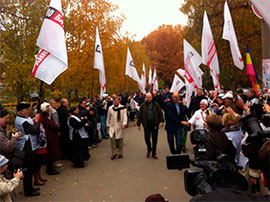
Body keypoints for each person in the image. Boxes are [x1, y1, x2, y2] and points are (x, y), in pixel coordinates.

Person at [15, 103, 41, 196]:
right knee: (28, 169)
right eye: (27, 109)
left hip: (31, 145)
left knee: (31, 167)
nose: (29, 111)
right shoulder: (21, 121)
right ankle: (28, 190)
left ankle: (30, 187)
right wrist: (37, 121)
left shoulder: (25, 118)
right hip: (26, 147)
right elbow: (34, 130)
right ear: (22, 112)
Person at [137, 93, 164, 159]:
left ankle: (154, 152)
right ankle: (149, 149)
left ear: (152, 97)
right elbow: (140, 115)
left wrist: (162, 121)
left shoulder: (156, 104)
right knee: (147, 138)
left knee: (154, 139)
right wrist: (138, 124)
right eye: (147, 97)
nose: (148, 99)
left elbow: (160, 113)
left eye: (150, 97)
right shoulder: (143, 105)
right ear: (145, 98)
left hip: (154, 124)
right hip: (146, 124)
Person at [39, 102, 61, 175]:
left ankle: (51, 168)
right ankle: (50, 169)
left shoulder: (47, 115)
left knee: (52, 152)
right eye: (48, 107)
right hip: (49, 136)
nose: (49, 108)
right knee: (51, 152)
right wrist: (57, 128)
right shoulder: (45, 117)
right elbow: (52, 125)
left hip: (51, 135)